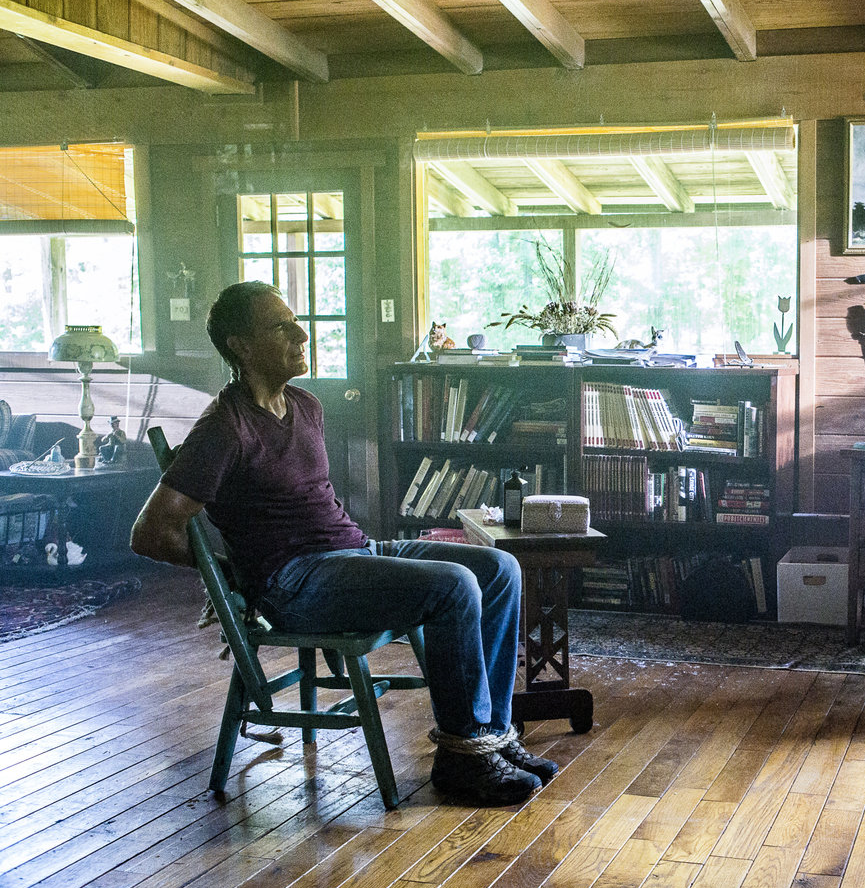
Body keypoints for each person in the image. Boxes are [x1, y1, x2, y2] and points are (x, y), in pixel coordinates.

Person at [130, 281, 556, 806]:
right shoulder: (224, 428)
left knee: (499, 567)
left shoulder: (305, 405)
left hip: (355, 551)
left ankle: (491, 737)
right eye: (281, 327)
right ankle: (462, 756)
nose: (302, 335)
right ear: (241, 345)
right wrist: (227, 573)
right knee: (453, 585)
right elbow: (150, 532)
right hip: (295, 581)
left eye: (296, 322)